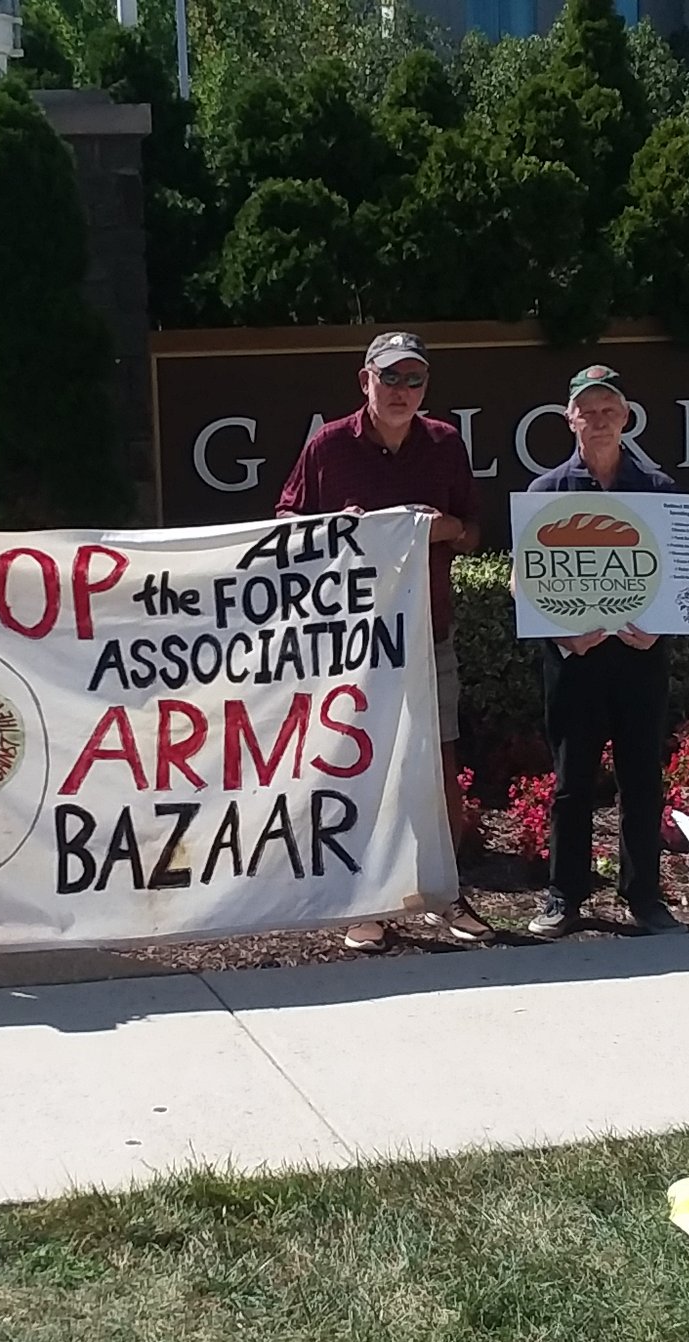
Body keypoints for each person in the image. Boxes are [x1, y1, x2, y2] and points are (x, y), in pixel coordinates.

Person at [273, 330, 492, 950]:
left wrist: (441, 525)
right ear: (364, 380)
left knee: (439, 765)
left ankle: (444, 896)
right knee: (355, 768)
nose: (401, 391)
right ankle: (364, 903)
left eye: (413, 379)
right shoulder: (328, 445)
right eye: (390, 378)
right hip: (353, 642)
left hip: (427, 635)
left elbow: (473, 530)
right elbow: (287, 521)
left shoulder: (444, 444)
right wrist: (329, 529)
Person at [520, 365, 685, 939]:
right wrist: (561, 633)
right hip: (575, 662)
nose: (597, 420)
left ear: (627, 416)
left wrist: (660, 628)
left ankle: (644, 898)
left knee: (642, 778)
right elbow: (524, 580)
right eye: (586, 410)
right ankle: (564, 896)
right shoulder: (546, 493)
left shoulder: (659, 490)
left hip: (640, 660)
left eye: (607, 409)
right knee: (571, 782)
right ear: (569, 418)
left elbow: (681, 572)